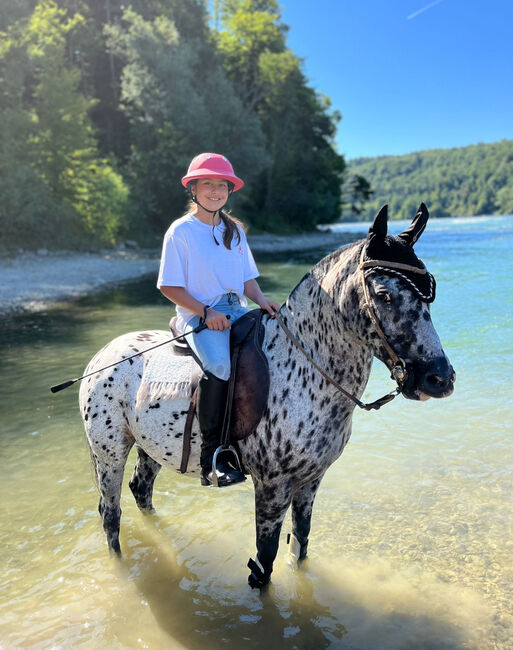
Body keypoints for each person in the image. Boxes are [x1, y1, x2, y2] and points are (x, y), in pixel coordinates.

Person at [157, 153, 280, 487]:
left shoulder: (234, 232)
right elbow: (168, 286)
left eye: (221, 185)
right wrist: (205, 313)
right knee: (220, 366)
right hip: (197, 313)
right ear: (193, 189)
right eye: (207, 184)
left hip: (236, 308)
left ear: (229, 191)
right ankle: (214, 455)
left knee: (274, 346)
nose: (215, 191)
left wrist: (262, 300)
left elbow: (246, 281)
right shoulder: (180, 232)